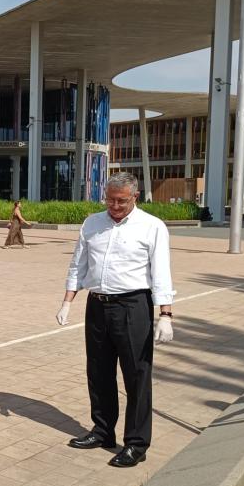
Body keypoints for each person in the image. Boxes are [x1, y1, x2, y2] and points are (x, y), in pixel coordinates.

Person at [57, 171, 174, 468]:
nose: (115, 206)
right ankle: (102, 430)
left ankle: (136, 443)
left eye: (121, 201)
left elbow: (161, 271)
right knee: (98, 372)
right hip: (97, 305)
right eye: (109, 199)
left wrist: (165, 314)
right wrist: (67, 301)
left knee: (136, 375)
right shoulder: (92, 223)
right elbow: (78, 264)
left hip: (133, 305)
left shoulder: (152, 227)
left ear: (134, 197)